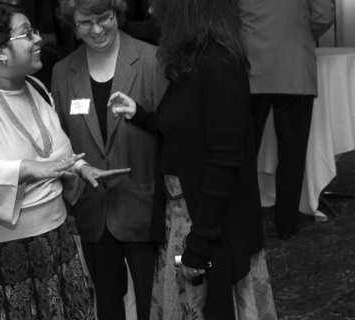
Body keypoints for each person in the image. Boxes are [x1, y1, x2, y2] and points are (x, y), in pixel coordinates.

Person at [0, 2, 128, 318]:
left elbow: (50, 147)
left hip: (50, 239)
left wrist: (80, 167)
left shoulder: (35, 87)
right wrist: (27, 169)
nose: (38, 39)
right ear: (0, 52)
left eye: (34, 31)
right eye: (27, 34)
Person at [109, 0, 276, 319]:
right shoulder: (194, 60)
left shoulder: (221, 64)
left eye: (159, 5)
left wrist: (198, 246)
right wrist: (142, 117)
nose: (153, 13)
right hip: (184, 217)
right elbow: (191, 130)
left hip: (204, 223)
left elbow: (222, 164)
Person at [51, 0, 168, 319]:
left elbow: (170, 128)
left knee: (153, 302)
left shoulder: (151, 59)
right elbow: (58, 139)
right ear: (72, 26)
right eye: (86, 23)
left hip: (143, 204)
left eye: (104, 18)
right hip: (93, 209)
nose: (97, 29)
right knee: (106, 303)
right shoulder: (63, 72)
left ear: (118, 14)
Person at [237, 0, 335, 240]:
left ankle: (240, 220)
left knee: (242, 152)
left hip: (251, 66)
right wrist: (297, 31)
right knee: (292, 152)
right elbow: (324, 14)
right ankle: (286, 225)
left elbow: (226, 15)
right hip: (295, 65)